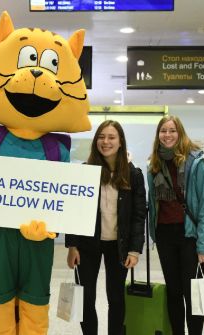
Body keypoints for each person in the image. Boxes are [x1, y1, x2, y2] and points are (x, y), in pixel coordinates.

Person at [66, 120, 146, 335]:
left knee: (116, 298)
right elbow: (74, 212)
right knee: (86, 297)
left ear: (121, 142)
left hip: (119, 246)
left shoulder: (134, 175)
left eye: (111, 137)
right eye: (101, 136)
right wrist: (72, 245)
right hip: (87, 244)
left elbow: (139, 215)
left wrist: (135, 250)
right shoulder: (85, 172)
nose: (106, 141)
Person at [146, 115, 204, 335]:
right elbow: (153, 202)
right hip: (165, 235)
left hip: (189, 236)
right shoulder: (154, 164)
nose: (167, 135)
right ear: (158, 135)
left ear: (180, 133)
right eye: (163, 131)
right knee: (173, 292)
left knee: (192, 293)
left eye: (172, 130)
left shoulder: (196, 163)